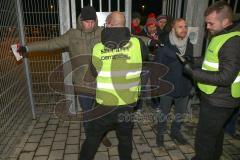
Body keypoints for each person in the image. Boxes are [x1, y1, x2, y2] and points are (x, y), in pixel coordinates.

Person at [17, 6, 111, 147]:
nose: (90, 25)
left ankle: (101, 134)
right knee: (87, 113)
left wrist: (147, 41)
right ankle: (92, 138)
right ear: (81, 21)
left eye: (92, 21)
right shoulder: (72, 35)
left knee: (101, 113)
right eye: (87, 22)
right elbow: (50, 44)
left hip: (102, 82)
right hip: (82, 83)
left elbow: (123, 38)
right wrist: (27, 48)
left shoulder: (102, 32)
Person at [79, 11, 149, 160]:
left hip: (105, 104)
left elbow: (94, 71)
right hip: (127, 103)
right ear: (124, 25)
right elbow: (145, 57)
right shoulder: (138, 44)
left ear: (109, 24)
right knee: (125, 139)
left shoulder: (98, 48)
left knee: (93, 138)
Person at [181, 2, 240, 160]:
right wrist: (194, 60)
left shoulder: (233, 42)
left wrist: (193, 72)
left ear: (226, 21)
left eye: (210, 23)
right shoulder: (222, 36)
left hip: (220, 100)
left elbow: (225, 77)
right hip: (217, 98)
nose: (207, 26)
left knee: (204, 138)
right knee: (216, 132)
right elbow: (212, 61)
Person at [155, 18, 193, 146]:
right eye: (180, 27)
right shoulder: (164, 45)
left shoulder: (189, 43)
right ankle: (160, 134)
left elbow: (190, 64)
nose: (184, 29)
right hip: (168, 86)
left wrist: (191, 84)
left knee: (180, 113)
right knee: (163, 113)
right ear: (173, 29)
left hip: (184, 85)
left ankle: (175, 132)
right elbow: (157, 66)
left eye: (185, 26)